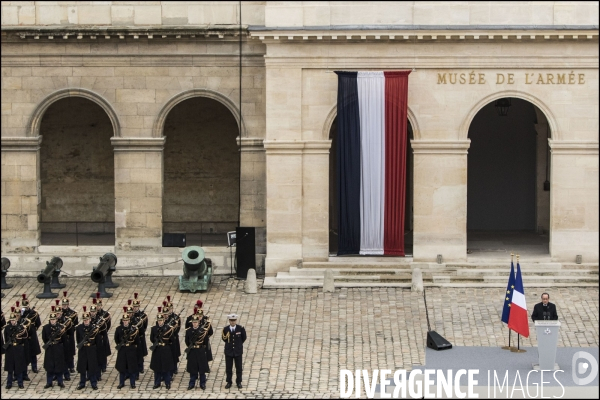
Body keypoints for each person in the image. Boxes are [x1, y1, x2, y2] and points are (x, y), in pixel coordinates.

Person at [185, 314, 213, 390]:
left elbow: (206, 342)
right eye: (193, 322)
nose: (195, 323)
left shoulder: (203, 331)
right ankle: (191, 383)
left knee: (202, 369)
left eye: (196, 322)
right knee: (193, 369)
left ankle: (202, 383)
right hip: (193, 351)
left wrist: (205, 352)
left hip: (200, 351)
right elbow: (187, 342)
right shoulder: (189, 331)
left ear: (198, 322)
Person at [150, 309, 175, 389]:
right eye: (159, 320)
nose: (160, 322)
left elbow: (171, 339)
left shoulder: (168, 328)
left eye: (161, 320)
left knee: (166, 368)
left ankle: (167, 383)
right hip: (157, 349)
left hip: (165, 349)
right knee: (157, 368)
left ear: (164, 320)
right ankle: (157, 383)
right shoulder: (154, 329)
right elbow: (151, 339)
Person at [75, 308, 100, 390]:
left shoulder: (94, 328)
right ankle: (82, 383)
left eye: (87, 320)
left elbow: (97, 340)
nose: (86, 321)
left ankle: (93, 383)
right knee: (82, 368)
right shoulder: (79, 328)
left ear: (90, 319)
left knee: (92, 367)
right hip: (83, 349)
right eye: (84, 320)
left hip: (91, 349)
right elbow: (78, 339)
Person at [114, 310, 140, 389]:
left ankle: (132, 383)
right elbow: (116, 339)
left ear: (129, 320)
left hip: (130, 349)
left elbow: (137, 340)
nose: (125, 322)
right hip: (122, 349)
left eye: (126, 320)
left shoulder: (133, 329)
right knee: (122, 368)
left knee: (131, 367)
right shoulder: (119, 329)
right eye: (124, 320)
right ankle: (121, 383)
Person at [41, 311, 67, 389]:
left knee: (59, 365)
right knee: (49, 366)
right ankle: (49, 382)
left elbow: (64, 339)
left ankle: (60, 382)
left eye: (54, 319)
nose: (52, 321)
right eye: (51, 319)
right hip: (50, 348)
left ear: (56, 319)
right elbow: (44, 338)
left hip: (58, 347)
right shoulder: (46, 328)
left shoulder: (61, 327)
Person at [4, 311, 28, 389]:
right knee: (10, 367)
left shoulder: (21, 327)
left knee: (19, 367)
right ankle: (9, 383)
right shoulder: (7, 328)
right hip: (10, 349)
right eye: (11, 320)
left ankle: (20, 383)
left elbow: (24, 338)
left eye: (13, 320)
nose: (12, 322)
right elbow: (6, 338)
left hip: (18, 348)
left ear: (16, 320)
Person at [222, 313, 247, 389]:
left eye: (234, 320)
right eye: (231, 321)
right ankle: (229, 382)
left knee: (238, 367)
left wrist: (238, 345)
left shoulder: (240, 328)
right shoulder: (226, 329)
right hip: (229, 351)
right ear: (229, 321)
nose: (233, 322)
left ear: (236, 320)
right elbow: (224, 339)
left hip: (238, 351)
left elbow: (244, 337)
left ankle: (238, 381)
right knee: (228, 368)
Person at [19, 294, 41, 380]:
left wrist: (33, 328)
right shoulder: (21, 313)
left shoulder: (33, 313)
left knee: (33, 351)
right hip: (24, 334)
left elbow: (38, 323)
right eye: (24, 306)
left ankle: (34, 366)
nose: (25, 307)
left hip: (31, 333)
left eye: (26, 306)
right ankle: (25, 367)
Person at [61, 291, 78, 374]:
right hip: (62, 335)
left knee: (70, 352)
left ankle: (71, 366)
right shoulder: (59, 313)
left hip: (69, 334)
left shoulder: (73, 313)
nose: (64, 306)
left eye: (65, 305)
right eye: (63, 305)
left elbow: (75, 323)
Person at [131, 293, 148, 374]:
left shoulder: (143, 315)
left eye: (136, 307)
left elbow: (144, 327)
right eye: (134, 306)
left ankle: (141, 367)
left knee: (140, 353)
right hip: (132, 337)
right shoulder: (130, 315)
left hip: (140, 336)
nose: (134, 308)